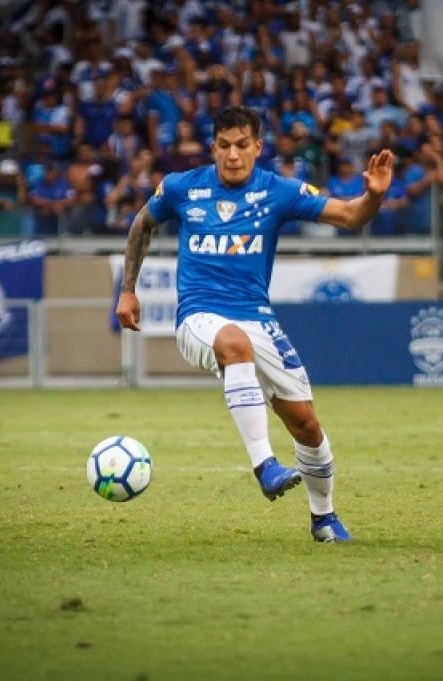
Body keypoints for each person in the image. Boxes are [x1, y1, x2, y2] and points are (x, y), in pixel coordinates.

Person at [115, 106, 394, 543]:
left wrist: (373, 195)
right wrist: (128, 289)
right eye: (224, 145)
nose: (233, 154)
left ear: (258, 147)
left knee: (306, 426)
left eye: (242, 145)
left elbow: (350, 216)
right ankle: (265, 465)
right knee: (234, 343)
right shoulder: (181, 187)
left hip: (259, 320)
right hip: (199, 316)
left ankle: (324, 518)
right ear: (212, 148)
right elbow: (141, 224)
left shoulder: (278, 191)